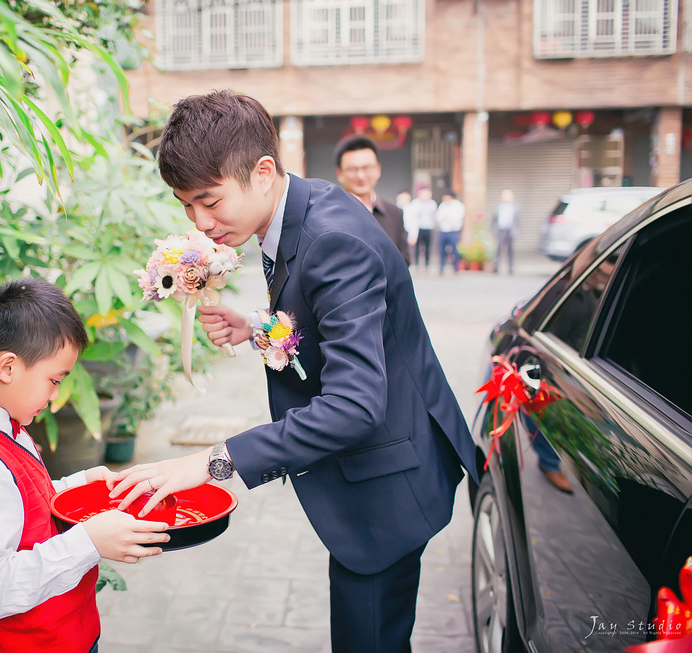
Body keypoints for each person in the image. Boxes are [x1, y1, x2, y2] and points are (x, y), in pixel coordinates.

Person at [109, 91, 478, 653]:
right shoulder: (300, 206)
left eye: (209, 201)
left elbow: (355, 406)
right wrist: (256, 324)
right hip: (384, 461)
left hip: (388, 484)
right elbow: (330, 317)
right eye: (186, 206)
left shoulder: (331, 239)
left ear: (261, 172)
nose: (200, 223)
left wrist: (212, 461)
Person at [0, 278, 170, 653]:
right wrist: (89, 541)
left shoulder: (4, 422)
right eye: (53, 380)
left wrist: (81, 483)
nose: (56, 394)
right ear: (7, 367)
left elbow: (23, 503)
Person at [333, 134, 411, 265]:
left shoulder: (394, 213)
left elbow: (404, 261)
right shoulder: (329, 214)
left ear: (378, 169)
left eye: (367, 168)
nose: (361, 175)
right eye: (353, 169)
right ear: (340, 173)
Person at [436, 190, 465, 275]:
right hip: (443, 230)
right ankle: (441, 269)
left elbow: (457, 218)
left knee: (455, 251)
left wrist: (446, 217)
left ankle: (456, 269)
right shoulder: (442, 205)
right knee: (441, 250)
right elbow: (438, 217)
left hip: (454, 231)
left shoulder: (458, 206)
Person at [492, 189, 520, 274]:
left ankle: (511, 268)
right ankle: (496, 267)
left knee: (510, 250)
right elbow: (493, 220)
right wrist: (492, 230)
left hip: (510, 230)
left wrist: (517, 231)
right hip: (500, 230)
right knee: (498, 249)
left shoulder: (515, 207)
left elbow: (518, 220)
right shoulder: (498, 206)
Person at [410, 186, 437, 270]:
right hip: (418, 227)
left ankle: (427, 264)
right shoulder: (415, 203)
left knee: (428, 247)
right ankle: (417, 264)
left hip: (428, 227)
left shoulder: (432, 203)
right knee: (417, 247)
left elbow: (434, 216)